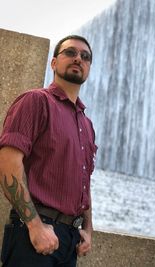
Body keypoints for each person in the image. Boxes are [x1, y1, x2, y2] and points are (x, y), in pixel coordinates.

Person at [0, 35, 97, 267]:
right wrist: (34, 226)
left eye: (85, 56)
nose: (78, 59)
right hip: (35, 232)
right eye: (70, 53)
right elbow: (7, 163)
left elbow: (84, 180)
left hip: (69, 240)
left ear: (89, 68)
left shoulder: (87, 124)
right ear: (53, 63)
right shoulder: (35, 101)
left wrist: (88, 227)